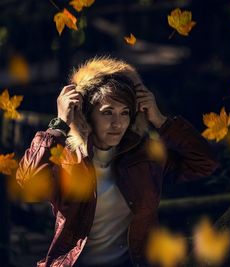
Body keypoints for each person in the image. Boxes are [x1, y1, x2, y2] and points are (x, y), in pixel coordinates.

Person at [16, 57, 218, 267]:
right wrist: (59, 124)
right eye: (107, 112)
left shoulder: (145, 156)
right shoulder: (66, 159)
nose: (118, 123)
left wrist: (160, 120)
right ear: (87, 115)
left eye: (125, 113)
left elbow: (204, 162)